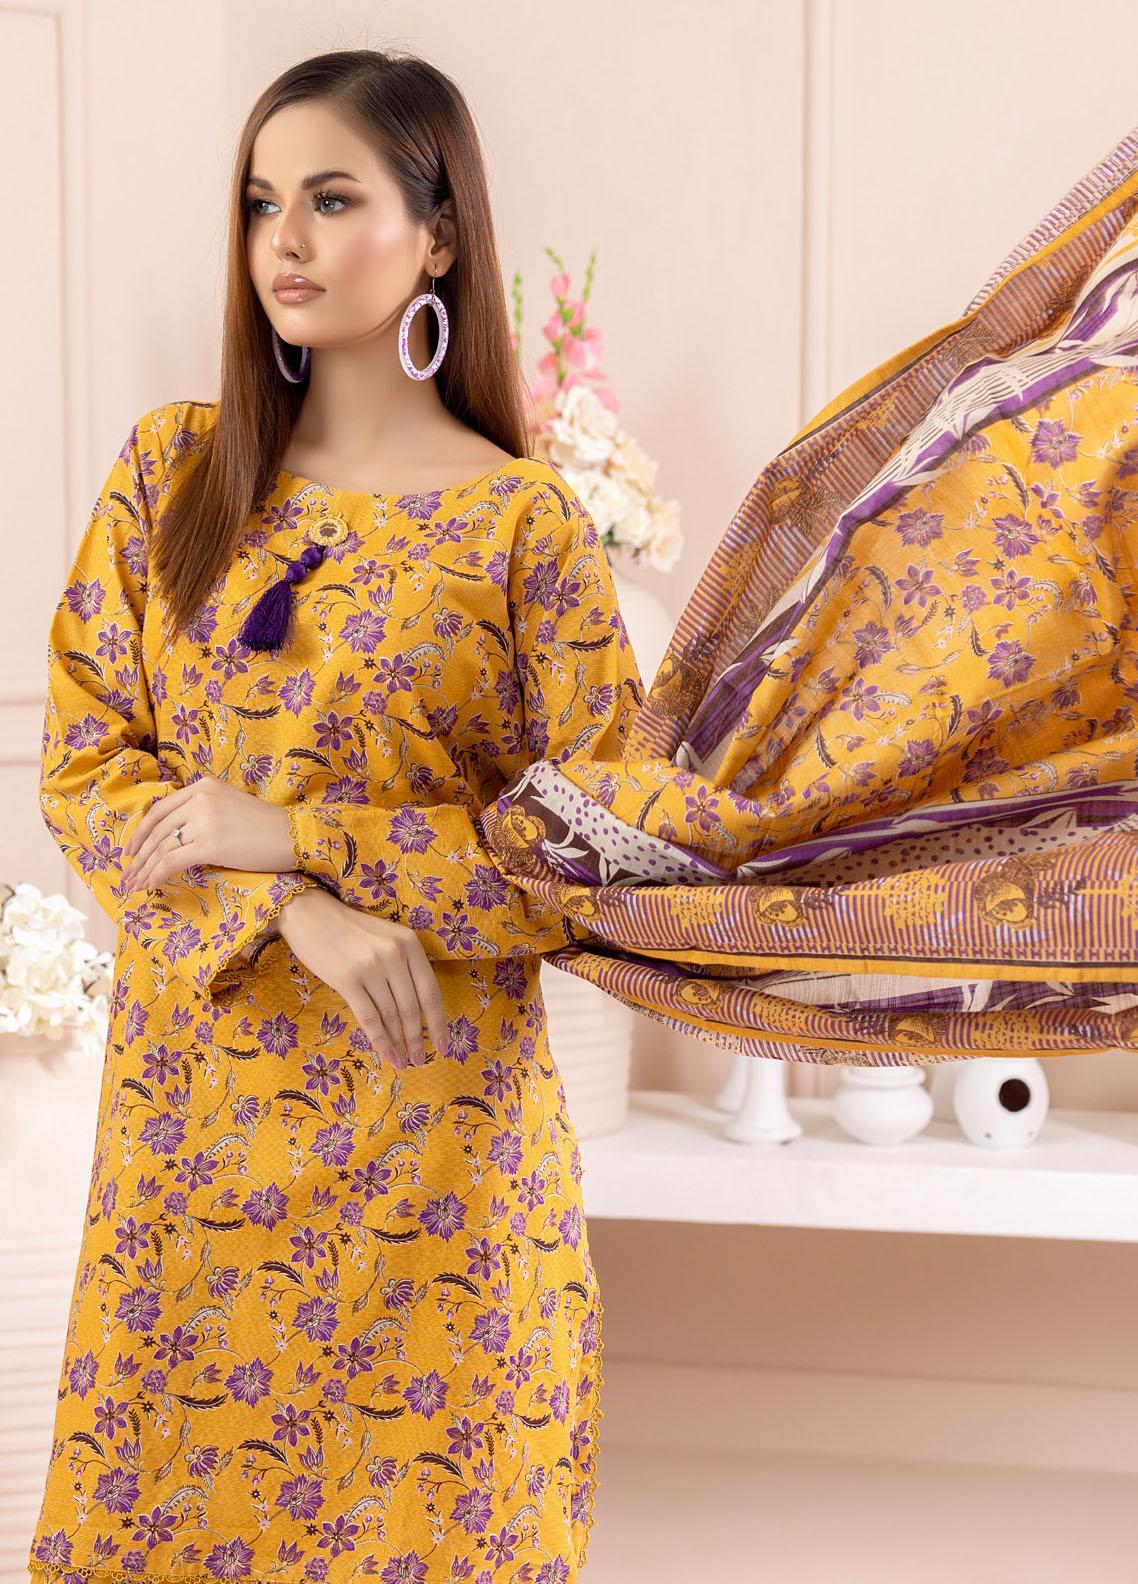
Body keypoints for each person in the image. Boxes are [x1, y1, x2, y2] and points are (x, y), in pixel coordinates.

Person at [30, 49, 642, 1584]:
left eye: (329, 199)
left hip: (437, 1153)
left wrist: (307, 835)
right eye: (260, 204)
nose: (283, 242)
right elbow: (88, 771)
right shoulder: (174, 474)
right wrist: (283, 907)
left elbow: (590, 860)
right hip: (197, 1142)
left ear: (437, 236)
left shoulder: (523, 526)